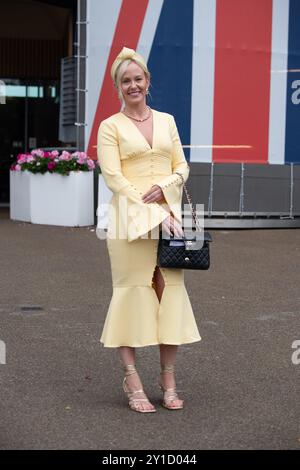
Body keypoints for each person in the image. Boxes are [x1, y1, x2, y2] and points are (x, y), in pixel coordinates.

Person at [97, 47, 201, 413]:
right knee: (131, 295)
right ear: (118, 86)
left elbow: (182, 166)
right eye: (125, 81)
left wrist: (168, 185)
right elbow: (114, 178)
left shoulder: (168, 120)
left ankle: (167, 378)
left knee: (169, 295)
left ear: (148, 81)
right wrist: (153, 213)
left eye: (138, 78)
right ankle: (131, 378)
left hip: (169, 216)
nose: (133, 85)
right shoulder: (110, 127)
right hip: (130, 220)